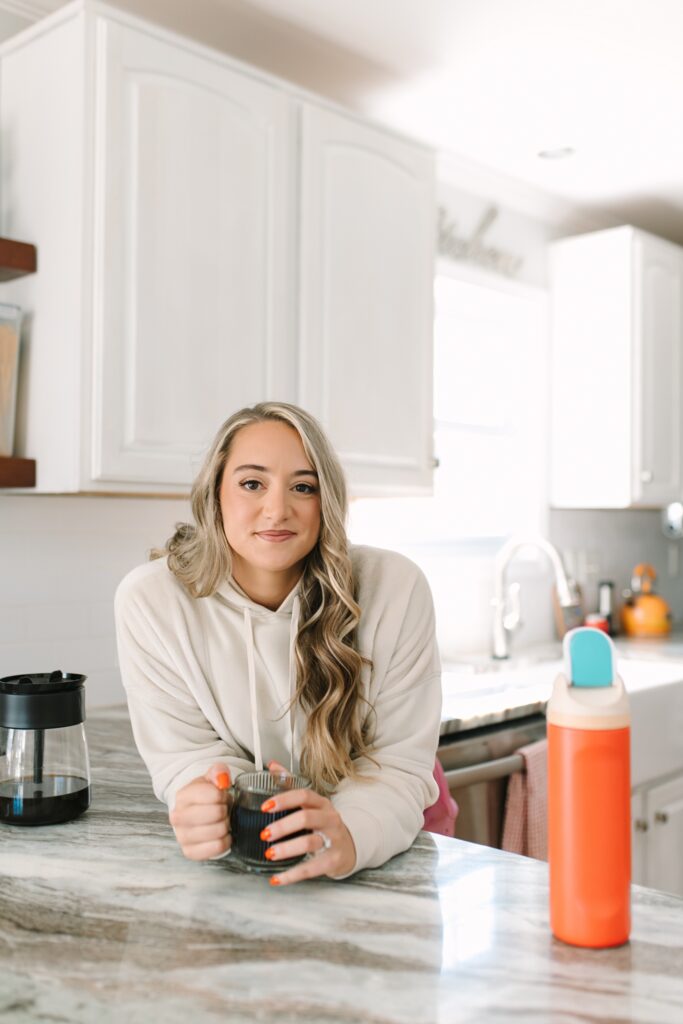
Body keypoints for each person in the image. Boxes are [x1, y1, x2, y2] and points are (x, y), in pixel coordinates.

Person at [114, 402, 442, 886]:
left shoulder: (395, 588)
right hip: (247, 851)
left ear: (325, 501)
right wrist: (206, 799)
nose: (277, 509)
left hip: (385, 835)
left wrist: (350, 833)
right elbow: (186, 756)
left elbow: (398, 765)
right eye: (252, 483)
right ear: (215, 495)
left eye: (303, 487)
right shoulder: (153, 601)